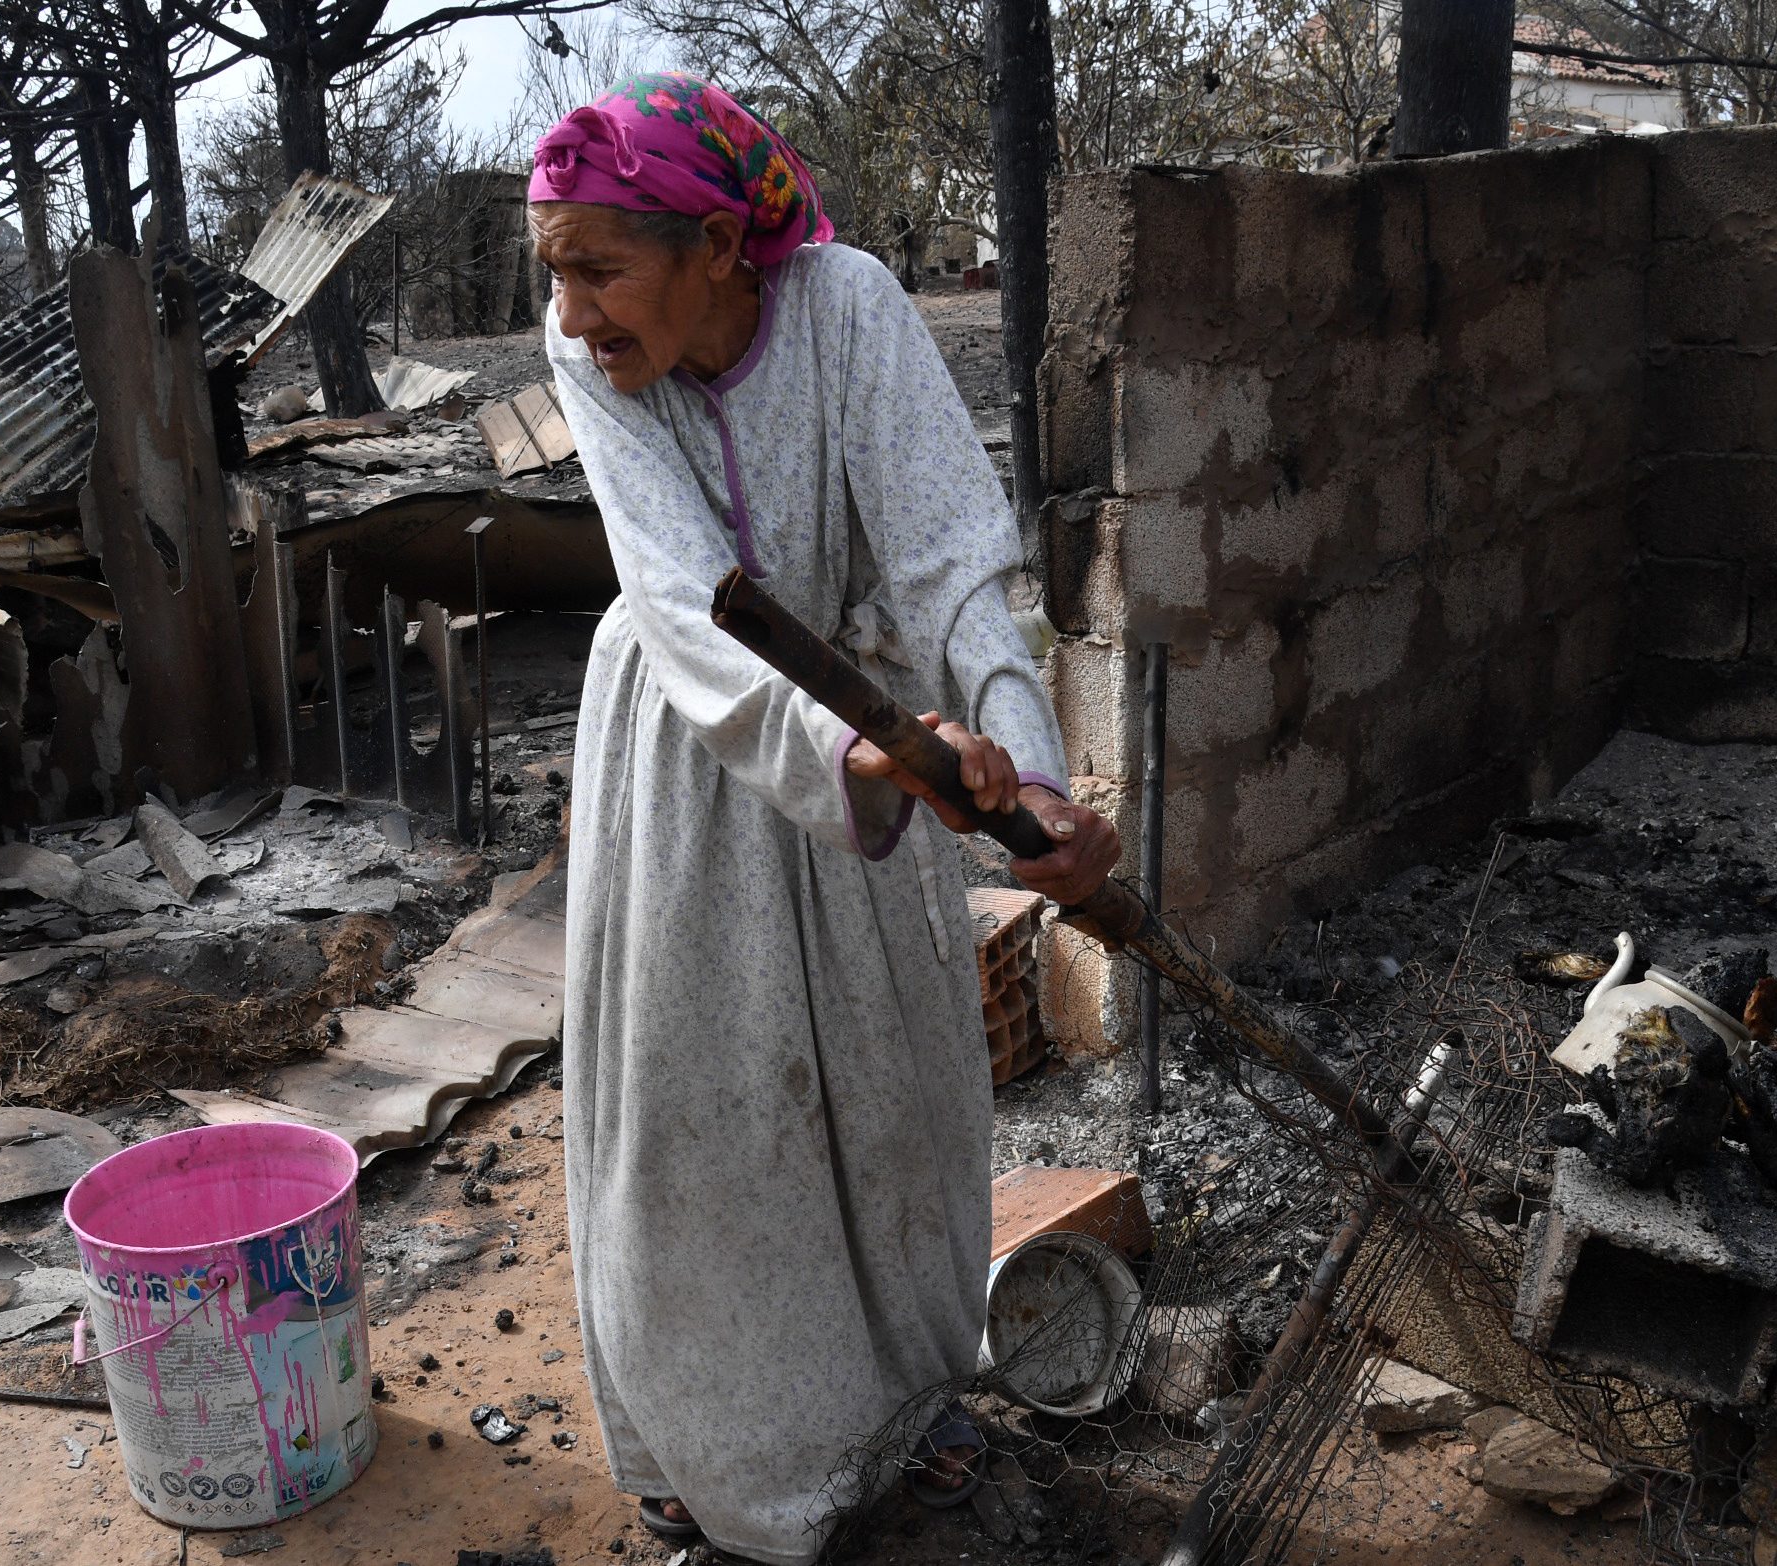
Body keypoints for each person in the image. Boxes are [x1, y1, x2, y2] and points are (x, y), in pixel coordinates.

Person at [530, 72, 1123, 1565]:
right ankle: (709, 1453)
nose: (576, 310)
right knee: (695, 1124)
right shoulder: (590, 356)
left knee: (895, 1095)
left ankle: (901, 1410)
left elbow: (947, 565)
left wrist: (1034, 773)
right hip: (693, 753)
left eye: (603, 266)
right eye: (558, 271)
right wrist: (849, 753)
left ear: (720, 248)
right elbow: (678, 601)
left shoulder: (850, 310)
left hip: (880, 740)